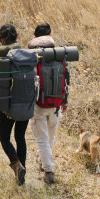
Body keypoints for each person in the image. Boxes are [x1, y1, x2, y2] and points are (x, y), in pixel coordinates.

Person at [0, 21, 27, 185]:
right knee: (20, 137)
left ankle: (17, 167)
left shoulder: (1, 59)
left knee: (4, 138)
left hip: (9, 106)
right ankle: (21, 175)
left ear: (1, 39)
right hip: (26, 103)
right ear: (17, 37)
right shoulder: (26, 55)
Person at [27, 22, 64, 185]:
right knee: (50, 137)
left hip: (38, 105)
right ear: (50, 35)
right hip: (56, 104)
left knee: (42, 139)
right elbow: (67, 78)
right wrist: (65, 101)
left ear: (35, 37)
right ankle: (44, 163)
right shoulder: (59, 55)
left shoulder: (33, 55)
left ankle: (48, 171)